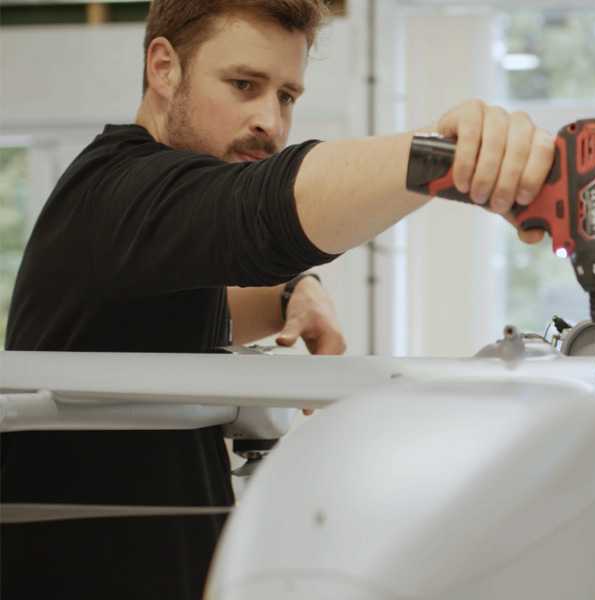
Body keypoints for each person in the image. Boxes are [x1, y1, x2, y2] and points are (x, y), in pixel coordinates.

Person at [0, 1, 554, 598]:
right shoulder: (114, 192)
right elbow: (262, 212)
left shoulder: (150, 242)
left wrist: (295, 291)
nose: (270, 120)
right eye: (244, 85)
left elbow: (200, 302)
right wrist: (442, 157)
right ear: (164, 68)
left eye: (287, 96)